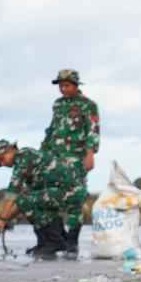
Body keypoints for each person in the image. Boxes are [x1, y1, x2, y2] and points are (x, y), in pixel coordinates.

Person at [42, 69, 100, 259]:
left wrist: (90, 154)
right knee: (53, 198)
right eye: (60, 86)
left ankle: (72, 242)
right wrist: (43, 152)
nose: (63, 89)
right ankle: (60, 238)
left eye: (66, 85)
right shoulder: (57, 104)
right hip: (54, 158)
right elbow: (52, 129)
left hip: (76, 158)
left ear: (75, 85)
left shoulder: (88, 105)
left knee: (75, 200)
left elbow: (93, 130)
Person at [0, 139, 73, 259]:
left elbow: (13, 193)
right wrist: (5, 219)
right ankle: (57, 240)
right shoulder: (27, 161)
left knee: (27, 200)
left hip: (67, 192)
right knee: (33, 200)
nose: (2, 164)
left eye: (1, 159)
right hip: (61, 193)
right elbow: (22, 202)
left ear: (10, 150)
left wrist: (2, 219)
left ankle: (52, 242)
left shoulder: (23, 157)